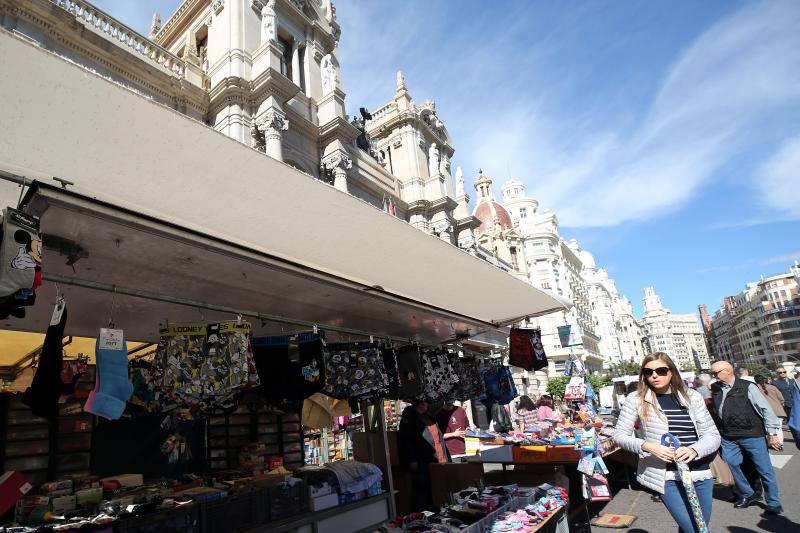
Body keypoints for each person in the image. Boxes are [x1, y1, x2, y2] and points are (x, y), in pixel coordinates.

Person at [613, 353, 720, 533]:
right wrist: (648, 446)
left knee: (699, 524)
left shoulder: (691, 396)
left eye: (661, 371)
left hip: (699, 472)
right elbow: (619, 436)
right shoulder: (636, 398)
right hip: (665, 475)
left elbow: (712, 435)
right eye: (648, 372)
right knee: (695, 529)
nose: (654, 376)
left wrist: (694, 450)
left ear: (671, 372)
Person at [709, 361, 783, 515]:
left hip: (752, 434)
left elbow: (765, 409)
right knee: (731, 463)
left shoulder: (748, 386)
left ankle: (773, 502)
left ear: (728, 371)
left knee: (764, 469)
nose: (714, 377)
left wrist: (773, 434)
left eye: (716, 373)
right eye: (712, 374)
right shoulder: (716, 389)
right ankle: (748, 493)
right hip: (728, 436)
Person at [398, 399, 447, 512]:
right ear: (420, 404)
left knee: (434, 488)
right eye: (426, 402)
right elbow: (406, 441)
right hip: (421, 460)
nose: (428, 405)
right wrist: (412, 459)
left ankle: (435, 513)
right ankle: (421, 516)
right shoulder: (409, 419)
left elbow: (437, 437)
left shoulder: (429, 416)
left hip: (436, 458)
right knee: (421, 489)